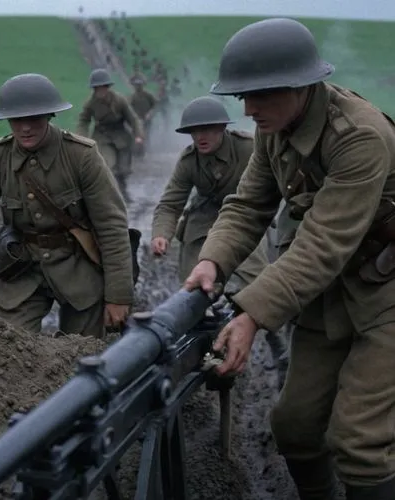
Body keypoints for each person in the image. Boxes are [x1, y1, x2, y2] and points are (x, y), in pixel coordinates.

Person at [185, 18, 395, 500]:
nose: (250, 108)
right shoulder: (275, 128)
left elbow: (323, 243)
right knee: (294, 427)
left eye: (263, 94)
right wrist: (212, 261)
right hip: (331, 296)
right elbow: (249, 204)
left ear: (302, 85)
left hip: (386, 296)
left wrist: (251, 317)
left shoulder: (358, 137)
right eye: (243, 97)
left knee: (360, 441)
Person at [0, 73, 135, 337]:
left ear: (50, 115)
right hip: (22, 270)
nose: (25, 127)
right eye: (17, 119)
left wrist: (119, 296)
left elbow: (111, 225)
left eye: (34, 118)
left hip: (78, 268)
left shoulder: (81, 156)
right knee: (9, 350)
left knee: (83, 355)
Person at [151, 95, 269, 287]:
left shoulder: (247, 148)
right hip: (203, 216)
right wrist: (160, 234)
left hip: (242, 213)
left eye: (206, 129)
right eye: (194, 131)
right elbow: (170, 204)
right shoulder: (189, 161)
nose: (200, 137)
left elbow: (274, 180)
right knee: (191, 282)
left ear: (222, 127)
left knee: (255, 278)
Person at [76, 68, 144, 201]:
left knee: (123, 170)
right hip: (102, 137)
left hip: (121, 136)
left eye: (103, 87)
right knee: (109, 165)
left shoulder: (119, 100)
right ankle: (112, 196)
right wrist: (82, 138)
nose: (100, 91)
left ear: (107, 87)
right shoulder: (90, 103)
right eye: (97, 88)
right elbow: (83, 121)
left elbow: (132, 118)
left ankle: (123, 190)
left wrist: (138, 135)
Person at [128, 72, 157, 154]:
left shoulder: (148, 95)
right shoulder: (132, 97)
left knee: (146, 135)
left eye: (140, 85)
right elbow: (128, 108)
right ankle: (137, 151)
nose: (138, 87)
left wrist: (150, 113)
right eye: (136, 85)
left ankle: (146, 151)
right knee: (136, 135)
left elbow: (155, 105)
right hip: (136, 120)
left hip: (147, 119)